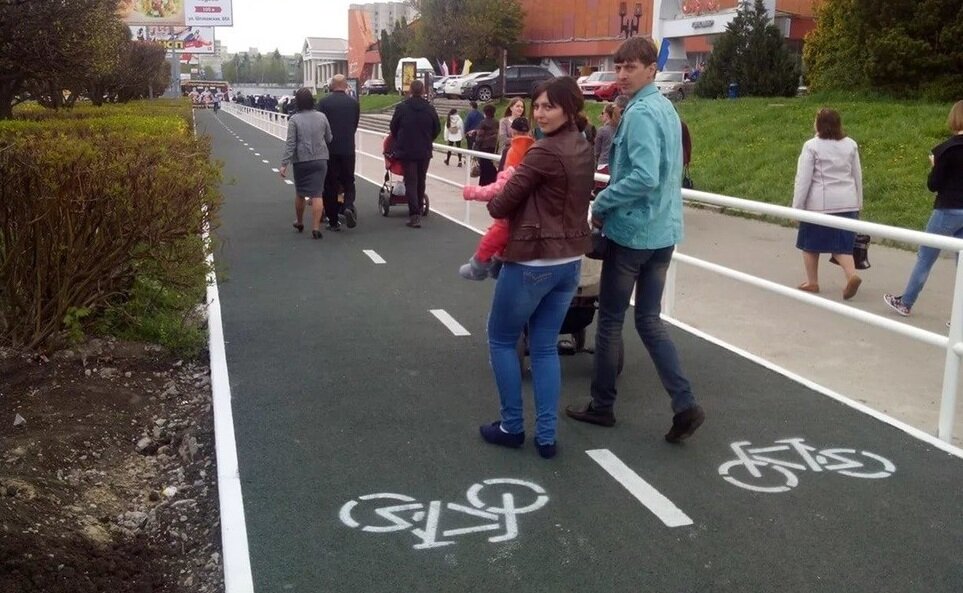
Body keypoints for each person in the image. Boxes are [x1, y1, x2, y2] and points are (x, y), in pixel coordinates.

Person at [565, 36, 706, 443]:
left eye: (631, 67)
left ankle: (602, 405)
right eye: (619, 67)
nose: (623, 75)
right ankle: (685, 404)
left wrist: (603, 200)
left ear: (651, 69)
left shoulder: (641, 113)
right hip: (663, 233)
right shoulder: (665, 108)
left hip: (634, 234)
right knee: (648, 319)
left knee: (610, 319)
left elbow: (644, 176)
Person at [479, 78, 594, 459]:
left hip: (533, 261)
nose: (541, 113)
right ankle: (546, 436)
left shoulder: (543, 152)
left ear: (569, 109)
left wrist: (507, 187)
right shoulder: (583, 145)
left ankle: (512, 426)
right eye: (538, 106)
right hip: (569, 262)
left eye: (550, 106)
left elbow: (500, 205)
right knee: (544, 347)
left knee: (500, 338)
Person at [884, 100, 963, 317]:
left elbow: (933, 185)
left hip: (947, 209)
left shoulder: (946, 150)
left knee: (926, 256)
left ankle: (906, 301)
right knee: (962, 263)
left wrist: (935, 167)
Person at [791, 108, 863, 299]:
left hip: (820, 204)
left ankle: (812, 282)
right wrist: (859, 203)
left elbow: (803, 179)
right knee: (841, 246)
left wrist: (796, 208)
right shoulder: (851, 145)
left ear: (819, 124)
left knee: (809, 244)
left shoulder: (812, 146)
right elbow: (857, 175)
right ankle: (852, 275)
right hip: (847, 202)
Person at [460, 116, 536, 280]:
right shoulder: (534, 153)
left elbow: (496, 189)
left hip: (511, 216)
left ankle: (478, 267)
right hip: (530, 218)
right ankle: (496, 264)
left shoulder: (512, 163)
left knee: (492, 239)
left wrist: (471, 192)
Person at [280, 88, 333, 239]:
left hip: (301, 161)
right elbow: (329, 138)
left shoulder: (294, 119)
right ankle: (316, 228)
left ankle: (300, 221)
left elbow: (290, 143)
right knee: (317, 193)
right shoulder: (322, 117)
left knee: (301, 193)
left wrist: (284, 164)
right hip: (320, 159)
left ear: (297, 102)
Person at [389, 79, 440, 228]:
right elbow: (436, 128)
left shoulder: (402, 108)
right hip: (424, 150)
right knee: (421, 179)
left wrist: (400, 138)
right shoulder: (430, 109)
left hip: (407, 150)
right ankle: (418, 206)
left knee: (411, 181)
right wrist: (428, 139)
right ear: (423, 91)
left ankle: (414, 214)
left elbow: (394, 127)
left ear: (410, 90)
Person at [317, 74, 361, 231]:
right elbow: (355, 124)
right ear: (345, 85)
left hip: (329, 150)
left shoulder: (323, 103)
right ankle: (348, 205)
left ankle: (334, 221)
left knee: (330, 184)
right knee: (349, 180)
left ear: (332, 85)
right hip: (348, 148)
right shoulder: (353, 103)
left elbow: (320, 126)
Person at [473, 104, 499, 186]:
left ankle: (483, 184)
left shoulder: (483, 123)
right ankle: (493, 183)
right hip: (494, 147)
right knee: (492, 167)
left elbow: (479, 137)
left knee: (484, 167)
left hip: (484, 147)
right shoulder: (497, 122)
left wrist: (476, 143)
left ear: (485, 112)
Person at [594, 103, 617, 169]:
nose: (601, 115)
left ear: (607, 115)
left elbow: (596, 152)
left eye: (602, 113)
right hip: (615, 164)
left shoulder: (602, 130)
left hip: (603, 163)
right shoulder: (620, 129)